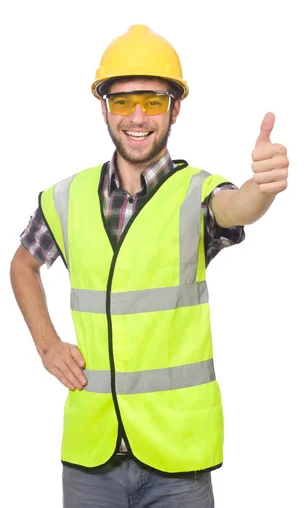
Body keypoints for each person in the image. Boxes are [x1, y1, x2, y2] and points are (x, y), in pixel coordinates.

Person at [9, 24, 289, 508]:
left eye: (153, 102)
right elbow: (22, 266)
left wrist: (261, 188)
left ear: (175, 108)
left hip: (176, 458)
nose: (137, 117)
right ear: (104, 108)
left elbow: (236, 207)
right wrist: (47, 345)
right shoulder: (65, 198)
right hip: (90, 455)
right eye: (122, 102)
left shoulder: (196, 194)